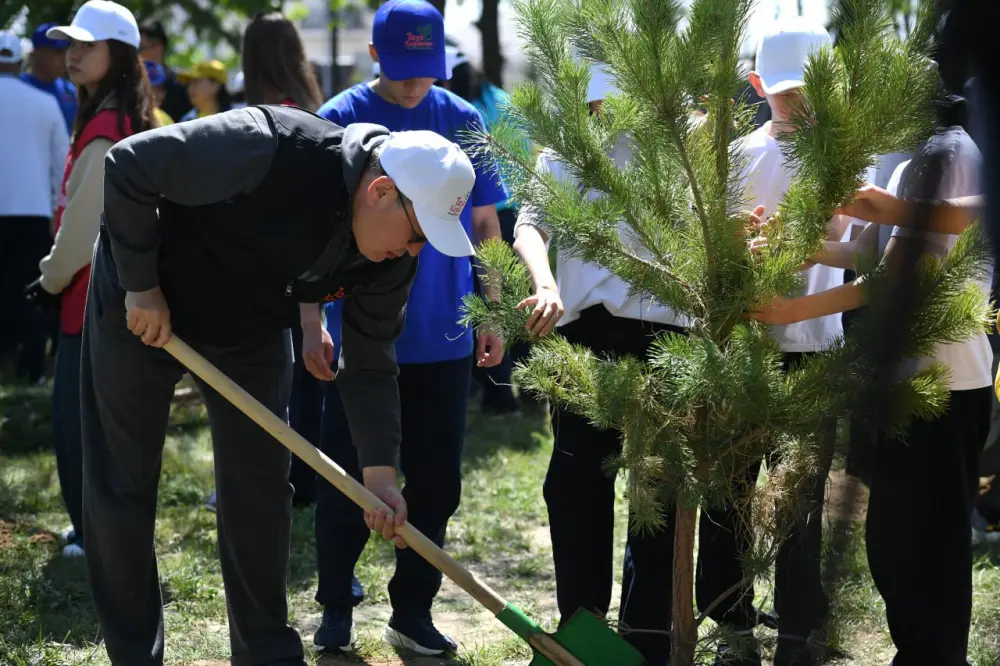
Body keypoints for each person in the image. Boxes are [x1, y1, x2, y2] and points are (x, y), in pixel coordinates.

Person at [80, 99, 478, 663]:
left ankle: (265, 651)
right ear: (381, 191)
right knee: (123, 479)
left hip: (250, 327)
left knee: (261, 487)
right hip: (147, 301)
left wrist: (381, 474)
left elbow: (368, 362)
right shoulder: (270, 146)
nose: (416, 251)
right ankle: (134, 653)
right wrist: (141, 285)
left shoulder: (393, 258)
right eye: (418, 233)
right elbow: (128, 163)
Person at [754, 110, 990, 666]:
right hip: (903, 380)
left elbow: (893, 275)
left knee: (928, 545)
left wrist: (794, 308)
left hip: (945, 383)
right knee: (892, 542)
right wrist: (796, 248)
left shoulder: (947, 155)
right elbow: (866, 252)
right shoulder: (914, 159)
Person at [309, 0, 506, 655]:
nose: (416, 83)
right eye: (402, 70)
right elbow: (310, 233)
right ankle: (335, 603)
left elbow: (483, 224)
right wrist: (311, 322)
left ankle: (412, 609)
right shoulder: (339, 118)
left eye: (427, 69)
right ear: (374, 57)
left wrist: (491, 308)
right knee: (345, 479)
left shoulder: (462, 117)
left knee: (437, 482)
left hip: (443, 335)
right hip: (358, 336)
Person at [510, 59, 686, 666]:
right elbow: (527, 226)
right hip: (586, 336)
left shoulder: (679, 153)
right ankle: (581, 629)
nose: (607, 118)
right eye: (597, 107)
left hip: (669, 340)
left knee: (656, 491)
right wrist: (545, 282)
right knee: (575, 484)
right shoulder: (561, 157)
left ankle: (646, 638)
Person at [698, 20, 854, 666]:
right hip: (779, 347)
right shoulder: (764, 156)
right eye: (793, 91)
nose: (797, 103)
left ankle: (766, 629)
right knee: (763, 496)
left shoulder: (823, 157)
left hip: (780, 347)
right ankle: (763, 627)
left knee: (766, 497)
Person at [24, 0, 154, 559]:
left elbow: (82, 227)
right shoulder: (112, 114)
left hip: (92, 299)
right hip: (106, 296)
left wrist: (48, 282)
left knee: (80, 427)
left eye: (86, 46)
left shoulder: (107, 128)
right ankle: (99, 530)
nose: (72, 55)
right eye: (69, 45)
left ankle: (97, 535)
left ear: (118, 54)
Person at [241, 10, 325, 508]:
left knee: (270, 385)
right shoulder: (316, 109)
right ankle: (305, 483)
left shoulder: (260, 119)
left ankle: (279, 483)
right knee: (308, 383)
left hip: (267, 272)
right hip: (312, 267)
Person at [448, 52, 530, 415]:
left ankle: (495, 394)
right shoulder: (502, 99)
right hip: (517, 213)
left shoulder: (464, 111)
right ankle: (529, 391)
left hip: (482, 216)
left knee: (484, 304)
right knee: (517, 304)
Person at [0, 31, 68, 379]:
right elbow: (61, 165)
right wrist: (59, 216)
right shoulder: (44, 103)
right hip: (32, 211)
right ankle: (32, 370)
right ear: (20, 60)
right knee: (29, 292)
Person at [21, 23, 77, 133]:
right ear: (36, 53)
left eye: (66, 51)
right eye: (58, 52)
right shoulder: (19, 88)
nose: (65, 57)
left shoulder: (69, 91)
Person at [138, 20, 192, 121]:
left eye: (141, 48)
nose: (138, 54)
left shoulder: (180, 83)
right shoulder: (132, 81)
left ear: (158, 47)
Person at [144, 60, 174, 126]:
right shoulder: (126, 116)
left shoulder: (165, 118)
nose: (161, 95)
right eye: (153, 88)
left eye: (161, 88)